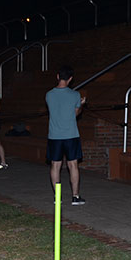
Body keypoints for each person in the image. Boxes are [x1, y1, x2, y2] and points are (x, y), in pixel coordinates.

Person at [45, 65, 86, 205]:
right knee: (73, 165)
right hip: (71, 135)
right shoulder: (75, 95)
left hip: (54, 135)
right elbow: (75, 114)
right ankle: (75, 196)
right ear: (70, 79)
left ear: (58, 76)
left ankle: (57, 197)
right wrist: (80, 105)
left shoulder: (49, 94)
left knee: (55, 166)